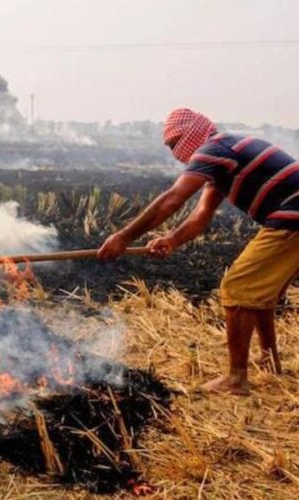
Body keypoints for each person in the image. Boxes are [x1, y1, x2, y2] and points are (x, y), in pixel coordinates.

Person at [98, 108, 299, 395]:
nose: (175, 152)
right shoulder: (224, 155)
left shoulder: (213, 148)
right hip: (291, 215)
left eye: (175, 143)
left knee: (238, 287)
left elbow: (172, 200)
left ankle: (236, 379)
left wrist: (123, 237)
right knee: (260, 291)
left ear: (194, 132)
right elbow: (200, 215)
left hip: (292, 215)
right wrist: (171, 240)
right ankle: (270, 363)